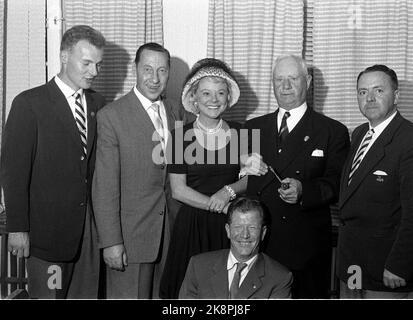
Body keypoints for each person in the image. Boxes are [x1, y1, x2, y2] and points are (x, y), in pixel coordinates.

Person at [0, 25, 106, 298]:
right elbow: (14, 173)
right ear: (63, 57)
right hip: (48, 238)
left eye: (98, 64)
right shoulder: (30, 104)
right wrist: (17, 228)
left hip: (87, 237)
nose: (93, 72)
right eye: (86, 63)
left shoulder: (98, 104)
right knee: (50, 296)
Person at [244, 54, 350, 298]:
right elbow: (238, 176)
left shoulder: (332, 130)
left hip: (306, 248)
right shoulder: (252, 128)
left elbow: (337, 184)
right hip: (259, 245)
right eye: (279, 79)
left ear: (308, 81)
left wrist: (305, 191)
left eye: (293, 78)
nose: (286, 86)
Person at [92, 42, 191, 299]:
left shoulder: (176, 113)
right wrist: (112, 242)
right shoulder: (111, 116)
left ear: (169, 73)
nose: (154, 78)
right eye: (147, 69)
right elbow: (104, 187)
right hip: (130, 239)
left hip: (170, 235)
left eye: (162, 70)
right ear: (135, 69)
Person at [159, 58, 263, 299]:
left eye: (220, 93)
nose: (213, 100)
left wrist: (227, 192)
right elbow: (178, 190)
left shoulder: (244, 132)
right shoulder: (178, 136)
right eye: (206, 93)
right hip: (192, 228)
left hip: (231, 227)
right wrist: (217, 205)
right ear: (194, 98)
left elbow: (252, 178)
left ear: (228, 98)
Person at [337, 64, 413, 299]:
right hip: (353, 264)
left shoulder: (408, 139)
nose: (369, 98)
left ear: (397, 96)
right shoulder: (360, 133)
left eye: (378, 91)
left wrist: (400, 264)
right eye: (362, 92)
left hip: (387, 270)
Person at [179, 197, 292, 299]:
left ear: (263, 233)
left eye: (252, 228)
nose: (245, 235)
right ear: (228, 230)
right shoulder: (199, 266)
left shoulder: (279, 277)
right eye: (238, 227)